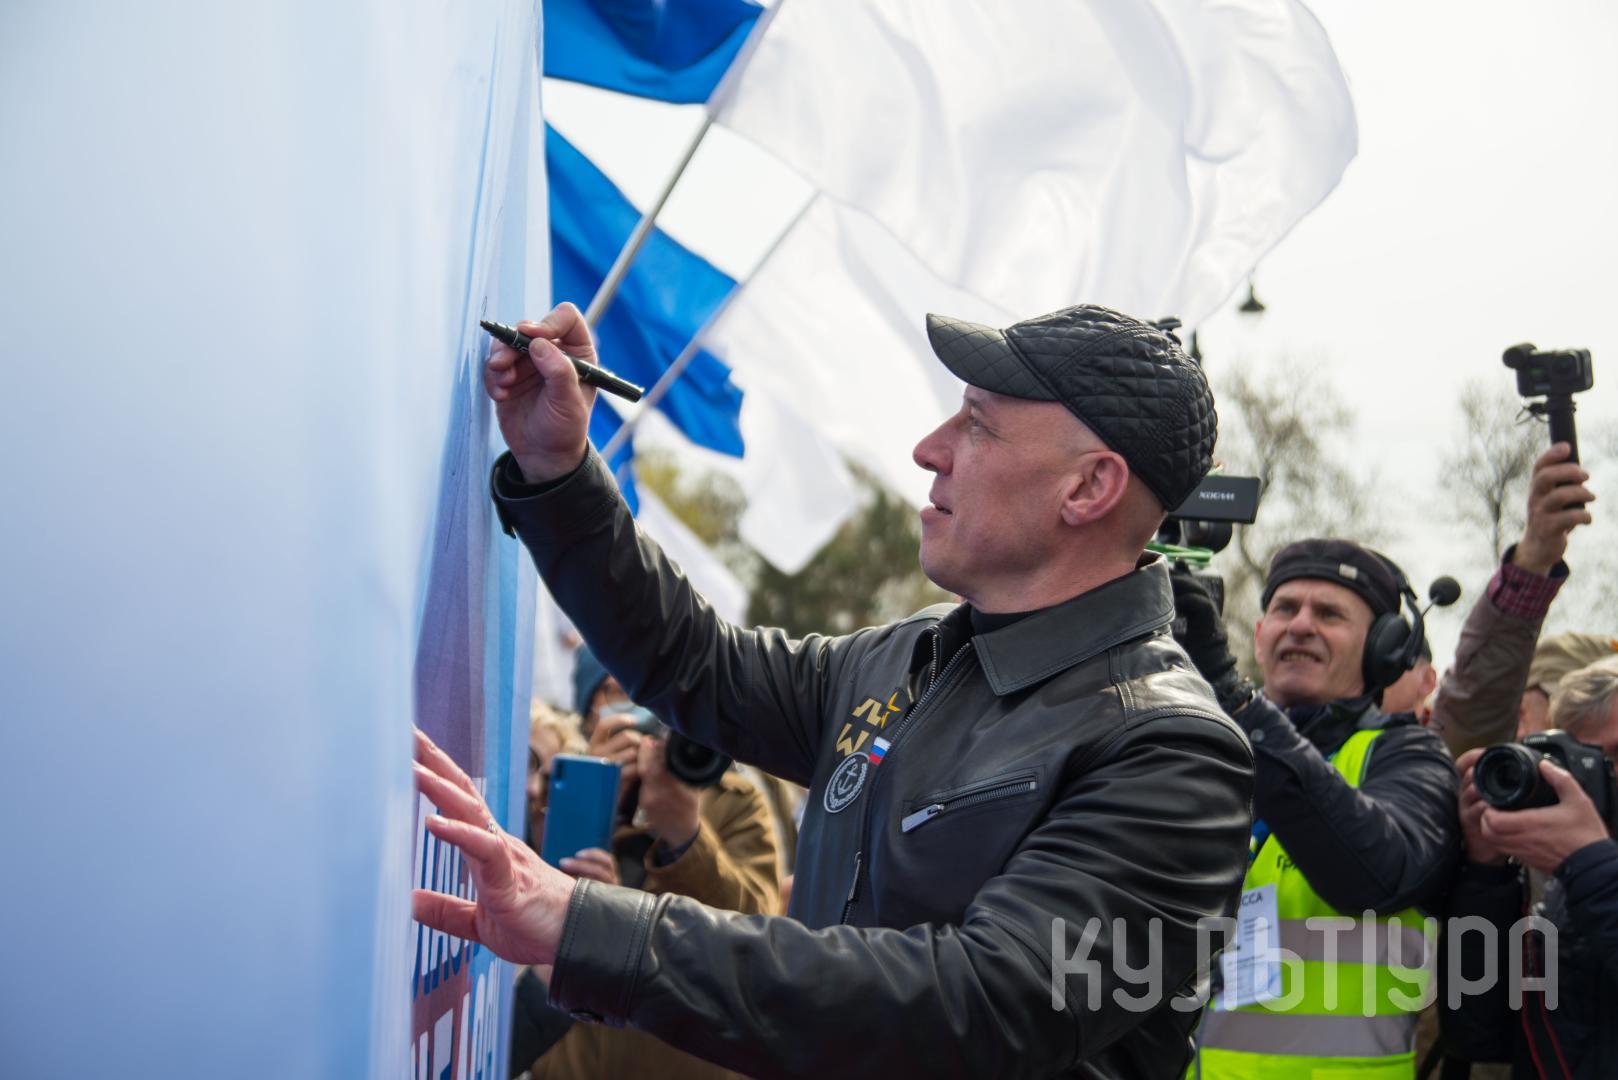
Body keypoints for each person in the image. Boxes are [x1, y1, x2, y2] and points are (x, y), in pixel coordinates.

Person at [413, 301, 1255, 1078]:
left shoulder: (1172, 755)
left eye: (977, 424)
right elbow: (696, 663)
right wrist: (560, 469)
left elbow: (979, 1004)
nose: (930, 449)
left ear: (1089, 487)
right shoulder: (909, 657)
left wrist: (588, 925)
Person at [1171, 539, 1462, 1077]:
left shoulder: (1409, 757)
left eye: (1329, 614)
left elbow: (1375, 875)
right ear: (1261, 636)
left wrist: (1238, 702)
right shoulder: (1201, 752)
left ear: (1383, 651)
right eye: (1285, 609)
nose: (1301, 625)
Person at [515, 646, 779, 1080]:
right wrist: (591, 799)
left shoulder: (734, 801)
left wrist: (686, 836)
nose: (641, 704)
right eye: (617, 690)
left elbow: (759, 936)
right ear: (587, 713)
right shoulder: (559, 784)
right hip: (573, 1062)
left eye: (655, 690)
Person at [1443, 657, 1618, 1078]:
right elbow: (1478, 1036)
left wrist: (1588, 863)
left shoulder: (1585, 869)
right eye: (1584, 759)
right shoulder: (1562, 882)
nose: (1602, 776)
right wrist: (1486, 870)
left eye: (1616, 754)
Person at [1427, 444, 1595, 757]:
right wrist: (1532, 559)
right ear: (1520, 709)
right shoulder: (1491, 776)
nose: (1589, 751)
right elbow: (1475, 711)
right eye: (1565, 711)